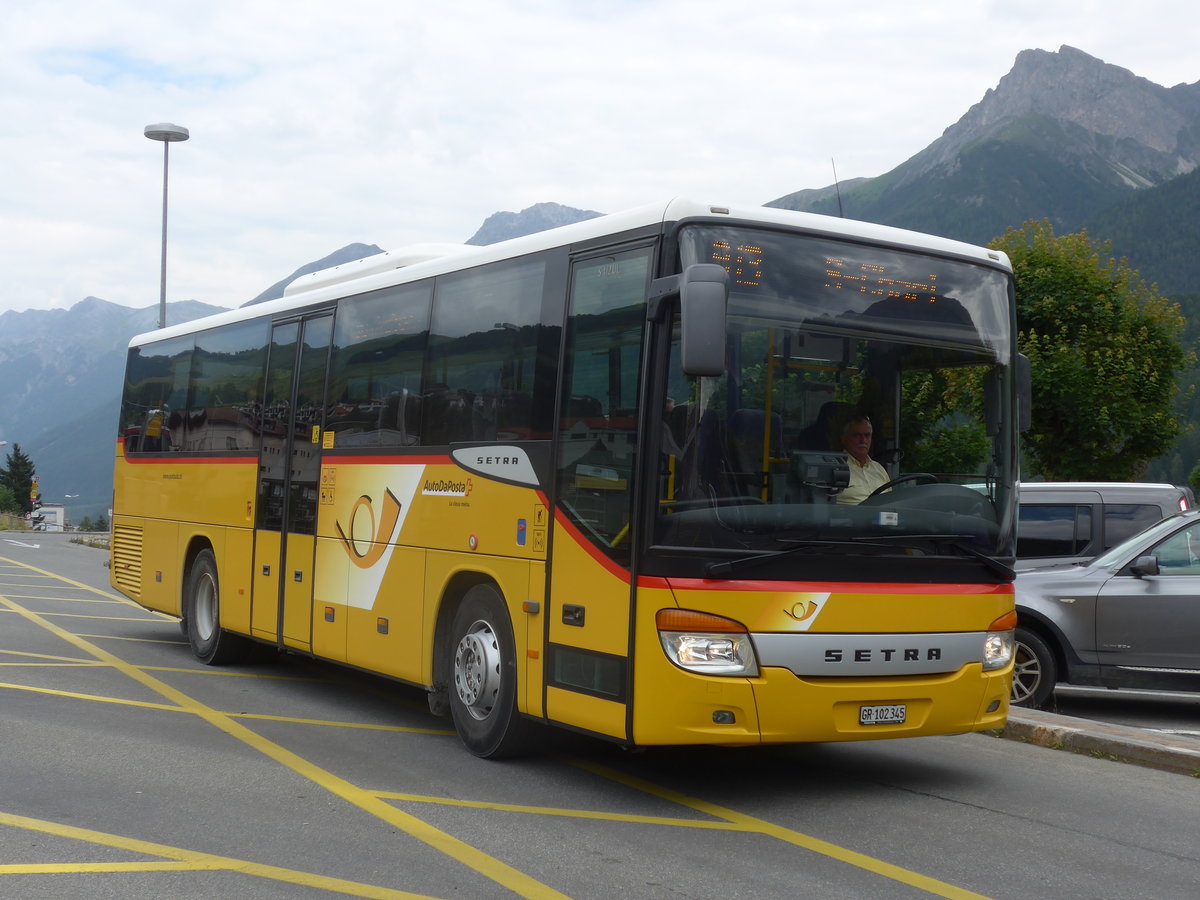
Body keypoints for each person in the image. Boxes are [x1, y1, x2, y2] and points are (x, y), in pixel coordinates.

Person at [835, 414, 890, 505]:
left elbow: (891, 502)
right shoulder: (835, 467)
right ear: (843, 438)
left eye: (867, 435)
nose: (863, 440)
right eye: (856, 435)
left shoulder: (879, 469)